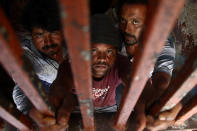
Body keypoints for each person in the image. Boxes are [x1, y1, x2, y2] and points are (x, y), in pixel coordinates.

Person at [49, 14, 132, 127]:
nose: (102, 58)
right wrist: (53, 106)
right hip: (78, 109)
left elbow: (135, 80)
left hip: (108, 109)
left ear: (116, 53)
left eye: (109, 52)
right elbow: (60, 86)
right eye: (93, 50)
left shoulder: (120, 63)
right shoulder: (72, 64)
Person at [116, 0, 176, 130]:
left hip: (144, 89)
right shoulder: (115, 34)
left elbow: (163, 77)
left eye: (135, 22)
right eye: (123, 20)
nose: (126, 29)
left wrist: (161, 98)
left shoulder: (162, 40)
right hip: (121, 86)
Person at [12, 0, 68, 130]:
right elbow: (21, 91)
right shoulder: (24, 54)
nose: (47, 41)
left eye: (53, 33)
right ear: (31, 35)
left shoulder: (75, 47)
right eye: (39, 35)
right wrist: (32, 111)